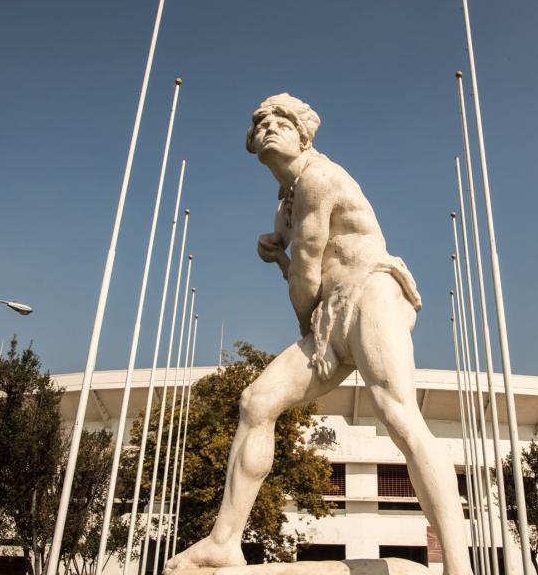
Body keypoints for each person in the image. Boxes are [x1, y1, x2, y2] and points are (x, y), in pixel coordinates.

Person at [166, 94, 471, 575]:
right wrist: (275, 250)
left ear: (302, 133)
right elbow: (288, 245)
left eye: (279, 121)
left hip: (372, 292)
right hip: (330, 317)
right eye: (260, 122)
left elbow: (306, 270)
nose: (267, 127)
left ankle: (458, 565)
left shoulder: (319, 179)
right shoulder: (286, 204)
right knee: (256, 402)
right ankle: (223, 542)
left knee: (400, 416)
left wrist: (304, 316)